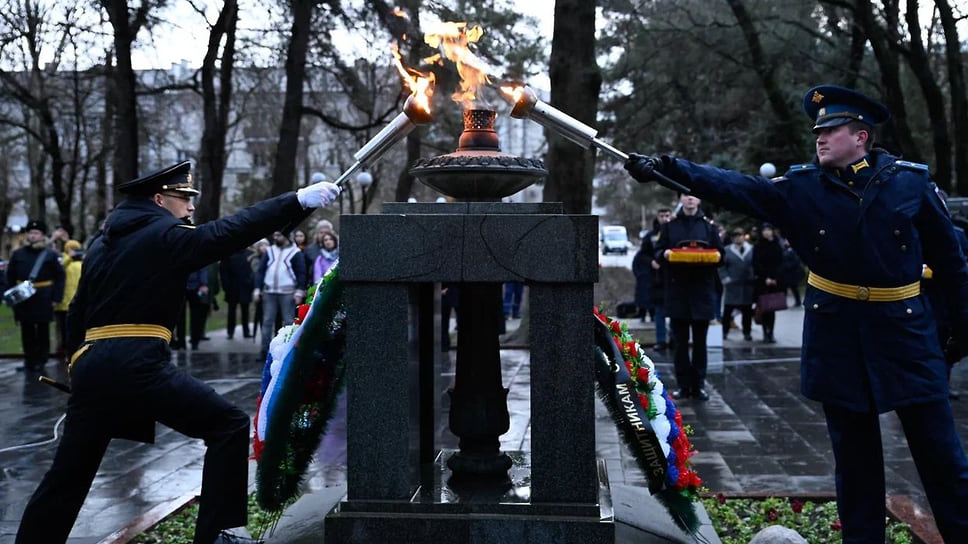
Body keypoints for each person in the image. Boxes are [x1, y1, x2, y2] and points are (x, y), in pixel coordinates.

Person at [625, 84, 968, 542]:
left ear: (861, 136)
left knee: (944, 461)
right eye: (817, 131)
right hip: (839, 338)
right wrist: (668, 169)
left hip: (906, 335)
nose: (820, 138)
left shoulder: (910, 182)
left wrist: (960, 332)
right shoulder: (801, 188)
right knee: (856, 467)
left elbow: (951, 263)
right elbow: (735, 186)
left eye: (831, 130)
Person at [15, 160, 339, 544]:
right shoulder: (163, 234)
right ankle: (216, 536)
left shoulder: (102, 244)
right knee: (228, 425)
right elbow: (227, 233)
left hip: (92, 363)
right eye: (182, 198)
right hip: (137, 361)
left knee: (68, 475)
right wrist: (295, 201)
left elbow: (77, 314)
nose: (190, 207)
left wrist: (78, 365)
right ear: (158, 199)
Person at [653, 193, 724, 401]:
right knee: (680, 344)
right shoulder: (669, 227)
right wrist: (664, 254)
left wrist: (717, 256)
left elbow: (721, 254)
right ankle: (683, 386)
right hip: (678, 292)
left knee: (700, 344)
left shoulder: (709, 227)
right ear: (680, 200)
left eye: (694, 195)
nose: (690, 199)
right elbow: (657, 252)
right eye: (685, 195)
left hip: (702, 292)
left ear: (700, 200)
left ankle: (699, 385)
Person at [5, 220, 65, 372]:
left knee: (42, 328)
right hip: (23, 297)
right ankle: (29, 359)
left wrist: (56, 297)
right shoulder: (18, 254)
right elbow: (10, 275)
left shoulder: (50, 254)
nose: (33, 236)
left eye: (36, 233)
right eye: (31, 233)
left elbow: (59, 276)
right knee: (26, 328)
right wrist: (10, 294)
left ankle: (41, 359)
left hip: (43, 295)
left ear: (42, 235)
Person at [254, 230, 307, 357]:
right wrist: (257, 289)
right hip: (269, 291)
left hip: (288, 292)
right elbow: (261, 271)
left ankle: (287, 350)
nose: (275, 237)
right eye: (274, 235)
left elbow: (301, 273)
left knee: (288, 322)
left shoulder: (295, 252)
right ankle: (264, 350)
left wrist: (299, 291)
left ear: (287, 236)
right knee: (267, 321)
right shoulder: (270, 251)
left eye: (278, 235)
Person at [641, 208, 673, 349]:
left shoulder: (675, 232)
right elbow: (643, 254)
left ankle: (674, 339)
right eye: (662, 216)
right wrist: (651, 262)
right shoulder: (650, 236)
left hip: (673, 278)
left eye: (667, 215)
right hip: (657, 279)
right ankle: (661, 340)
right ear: (657, 217)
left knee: (674, 311)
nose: (665, 218)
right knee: (659, 311)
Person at [720, 228, 754, 341]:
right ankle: (724, 332)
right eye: (735, 236)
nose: (738, 238)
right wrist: (725, 278)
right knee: (728, 311)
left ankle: (747, 332)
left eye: (740, 235)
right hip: (732, 285)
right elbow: (721, 266)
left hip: (747, 285)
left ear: (744, 236)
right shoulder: (727, 250)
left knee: (747, 312)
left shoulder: (751, 249)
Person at [752, 223, 784, 343]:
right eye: (764, 230)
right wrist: (764, 278)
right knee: (764, 308)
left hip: (775, 281)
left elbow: (781, 263)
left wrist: (775, 278)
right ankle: (765, 332)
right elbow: (756, 263)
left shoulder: (777, 245)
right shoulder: (758, 246)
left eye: (768, 230)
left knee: (772, 308)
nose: (766, 232)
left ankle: (771, 332)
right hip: (762, 281)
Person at [53, 240, 84, 358]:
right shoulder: (63, 261)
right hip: (63, 301)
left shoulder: (80, 263)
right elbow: (58, 268)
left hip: (75, 300)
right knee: (62, 327)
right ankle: (62, 348)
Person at [219, 248, 254, 340]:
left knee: (245, 310)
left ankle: (246, 331)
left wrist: (251, 283)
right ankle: (230, 331)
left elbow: (252, 270)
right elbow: (223, 271)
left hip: (245, 286)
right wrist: (226, 286)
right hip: (232, 287)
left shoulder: (249, 254)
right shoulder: (228, 254)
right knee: (232, 310)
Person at [779, 239, 805, 307]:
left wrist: (787, 266)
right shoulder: (784, 250)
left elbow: (796, 261)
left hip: (792, 273)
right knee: (784, 288)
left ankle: (798, 301)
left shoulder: (793, 251)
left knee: (794, 288)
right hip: (786, 273)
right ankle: (783, 302)